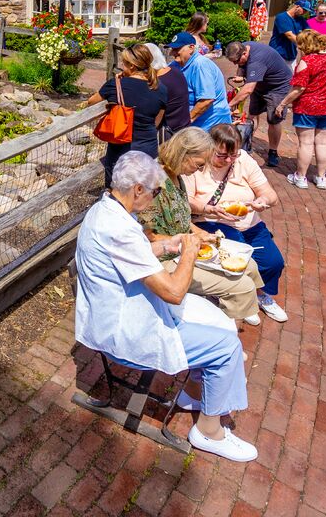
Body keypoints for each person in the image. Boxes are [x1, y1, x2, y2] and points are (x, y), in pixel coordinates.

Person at [75, 150, 257, 461]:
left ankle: (195, 394)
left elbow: (134, 252)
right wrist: (187, 252)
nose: (156, 197)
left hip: (116, 315)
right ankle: (208, 432)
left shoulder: (105, 210)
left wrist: (168, 244)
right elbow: (173, 291)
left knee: (220, 320)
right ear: (138, 190)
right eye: (156, 191)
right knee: (227, 346)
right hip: (124, 333)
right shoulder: (120, 229)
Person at [141, 127, 264, 322]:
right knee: (242, 286)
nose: (198, 170)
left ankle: (237, 309)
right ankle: (224, 331)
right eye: (198, 165)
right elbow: (149, 236)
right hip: (165, 259)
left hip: (183, 248)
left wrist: (199, 232)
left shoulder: (176, 175)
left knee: (249, 265)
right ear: (184, 153)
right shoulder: (153, 183)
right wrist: (190, 241)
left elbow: (180, 218)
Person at [184, 124, 287, 324]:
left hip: (250, 224)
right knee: (240, 258)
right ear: (209, 148)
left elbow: (270, 194)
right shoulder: (197, 165)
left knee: (273, 261)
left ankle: (260, 294)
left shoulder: (243, 160)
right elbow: (187, 201)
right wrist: (210, 209)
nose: (229, 160)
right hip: (212, 223)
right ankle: (240, 297)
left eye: (233, 155)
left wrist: (262, 201)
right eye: (222, 156)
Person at [86, 43, 167, 186]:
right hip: (148, 149)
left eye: (124, 63)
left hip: (122, 150)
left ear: (132, 66)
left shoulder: (116, 85)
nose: (122, 66)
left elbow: (91, 102)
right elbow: (157, 121)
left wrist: (117, 83)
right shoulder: (161, 88)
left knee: (117, 192)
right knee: (142, 192)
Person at [275, 29, 326, 190]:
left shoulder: (308, 61)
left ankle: (300, 177)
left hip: (308, 106)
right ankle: (321, 178)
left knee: (306, 143)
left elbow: (298, 89)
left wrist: (282, 104)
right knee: (323, 142)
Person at [224, 41, 293, 167]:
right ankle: (245, 145)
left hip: (277, 86)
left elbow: (248, 89)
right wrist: (240, 74)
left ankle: (273, 152)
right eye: (233, 62)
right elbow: (242, 66)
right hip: (260, 84)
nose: (235, 64)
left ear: (245, 53)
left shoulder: (257, 60)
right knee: (252, 114)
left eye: (237, 61)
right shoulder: (242, 47)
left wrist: (228, 105)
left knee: (274, 120)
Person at [167, 32, 232, 131]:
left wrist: (185, 122)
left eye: (177, 49)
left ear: (191, 48)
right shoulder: (175, 64)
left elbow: (206, 100)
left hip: (212, 124)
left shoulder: (200, 65)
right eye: (172, 49)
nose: (173, 53)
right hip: (196, 123)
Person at [145, 43, 190, 135]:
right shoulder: (175, 71)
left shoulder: (159, 82)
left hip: (169, 133)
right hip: (183, 128)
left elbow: (155, 117)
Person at [270, 0, 310, 67]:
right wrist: (305, 46)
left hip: (292, 55)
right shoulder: (281, 17)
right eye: (304, 10)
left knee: (291, 76)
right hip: (278, 54)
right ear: (297, 6)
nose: (305, 13)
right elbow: (289, 35)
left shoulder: (301, 19)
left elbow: (309, 32)